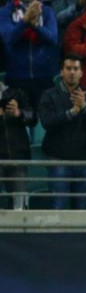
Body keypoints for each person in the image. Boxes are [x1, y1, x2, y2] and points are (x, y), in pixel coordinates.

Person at [38, 53, 86, 211]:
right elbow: (47, 122)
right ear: (61, 72)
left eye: (75, 69)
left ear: (81, 73)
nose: (72, 72)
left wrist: (85, 107)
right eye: (68, 68)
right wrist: (71, 113)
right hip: (58, 159)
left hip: (84, 160)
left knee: (82, 208)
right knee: (58, 206)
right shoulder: (48, 95)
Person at [0, 0, 60, 113]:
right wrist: (25, 21)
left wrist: (35, 25)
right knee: (18, 119)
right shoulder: (5, 11)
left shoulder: (47, 11)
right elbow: (8, 38)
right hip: (16, 78)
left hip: (43, 77)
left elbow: (53, 38)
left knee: (44, 119)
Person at [0, 80, 34, 211]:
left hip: (18, 157)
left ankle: (20, 224)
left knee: (20, 206)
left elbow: (33, 118)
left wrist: (18, 113)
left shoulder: (17, 93)